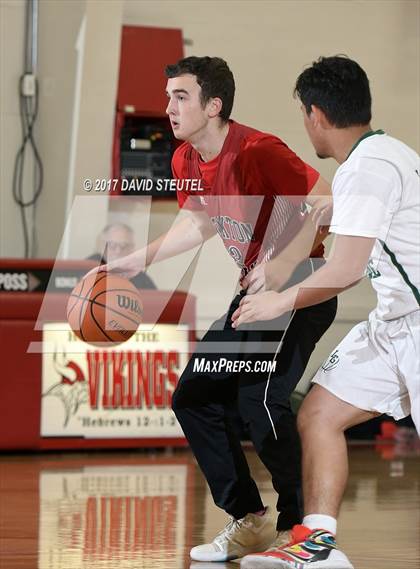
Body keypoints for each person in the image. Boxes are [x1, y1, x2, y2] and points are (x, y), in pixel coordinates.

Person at [95, 56, 337, 562]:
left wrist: (284, 262)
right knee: (194, 395)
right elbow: (197, 224)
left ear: (214, 105)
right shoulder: (186, 158)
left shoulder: (257, 150)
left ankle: (300, 531)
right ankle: (247, 518)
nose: (169, 108)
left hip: (302, 285)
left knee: (260, 403)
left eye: (180, 97)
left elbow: (323, 198)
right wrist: (133, 261)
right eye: (167, 98)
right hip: (254, 295)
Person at [235, 55, 419, 569]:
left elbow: (344, 270)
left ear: (315, 114)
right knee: (318, 414)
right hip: (394, 323)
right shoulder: (378, 156)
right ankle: (317, 546)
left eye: (303, 115)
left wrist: (277, 299)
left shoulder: (367, 168)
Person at [87, 222, 156, 289]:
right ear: (102, 245)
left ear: (132, 249)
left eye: (124, 246)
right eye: (112, 245)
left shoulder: (141, 279)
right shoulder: (86, 267)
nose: (118, 251)